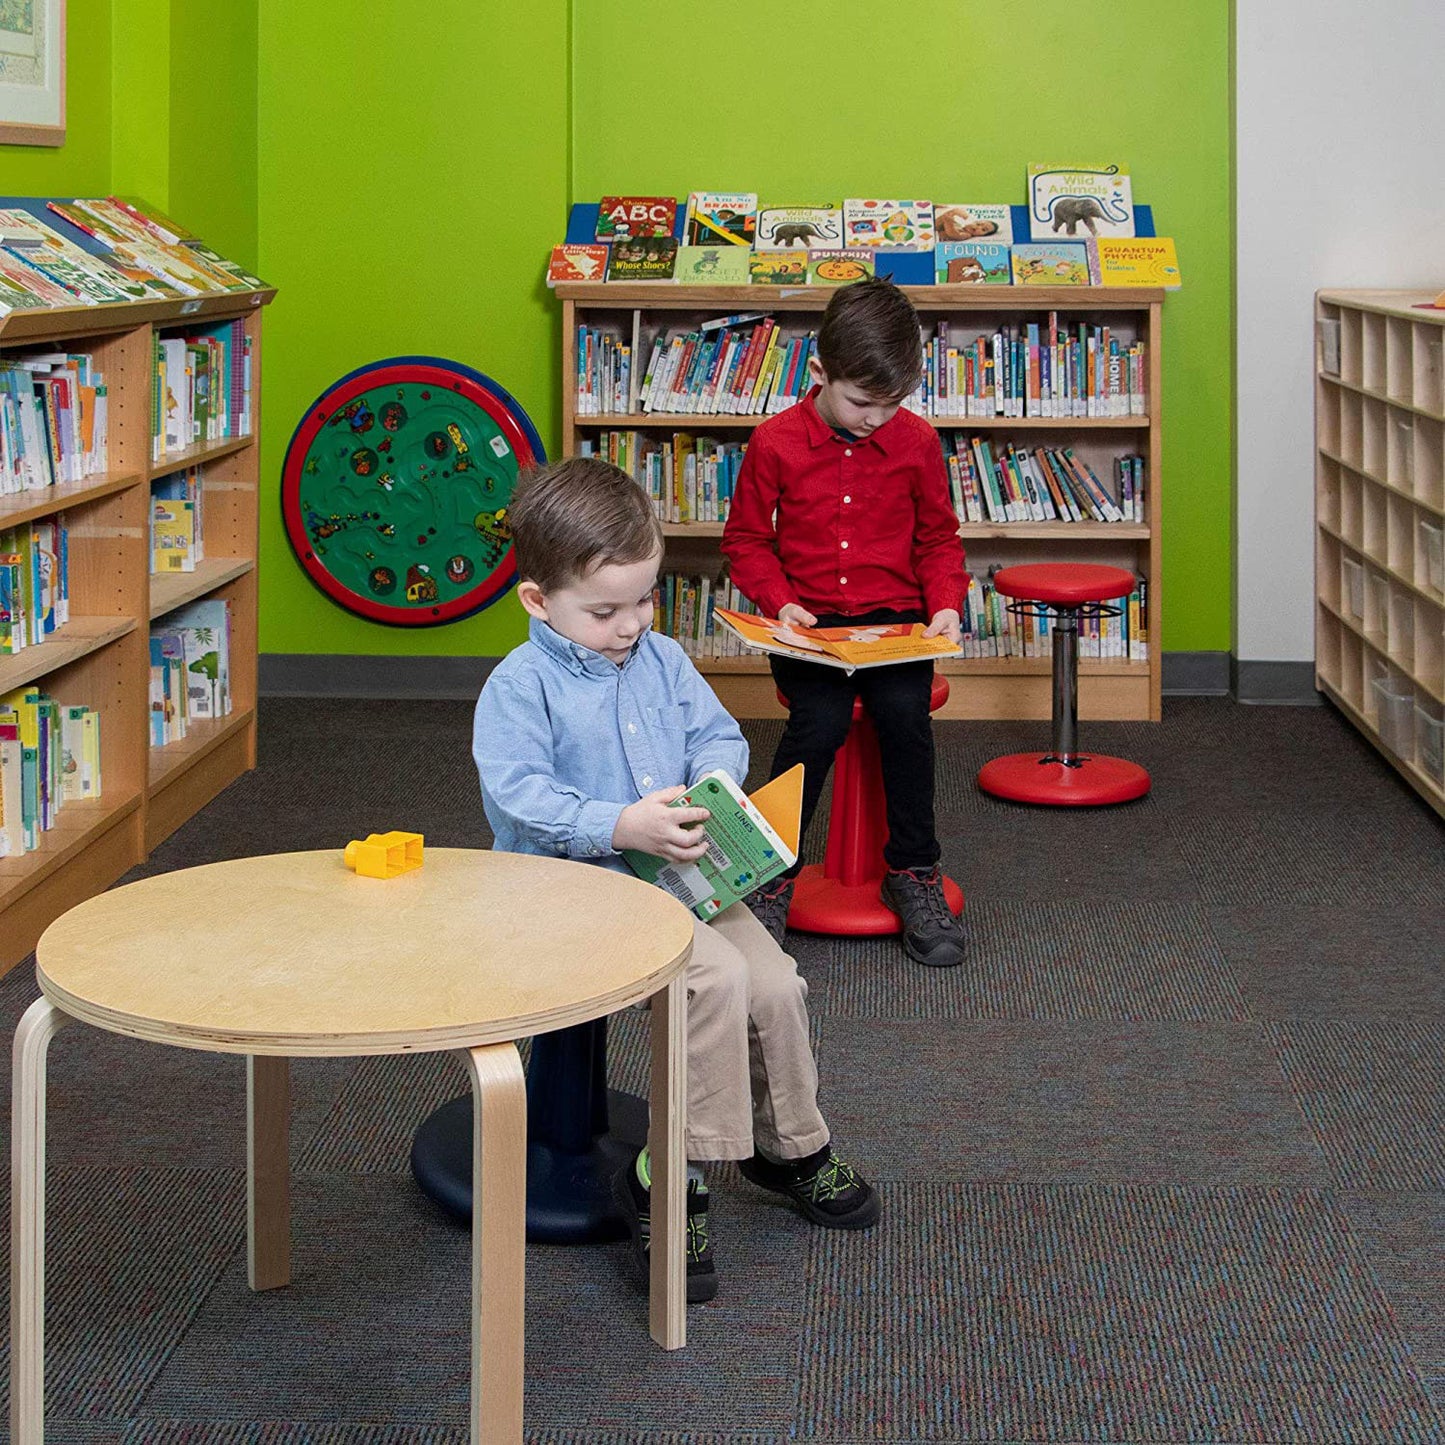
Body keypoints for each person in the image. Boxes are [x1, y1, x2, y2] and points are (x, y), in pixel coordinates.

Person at [472, 457, 879, 1305]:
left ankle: (790, 1142)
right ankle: (673, 1173)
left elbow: (718, 735)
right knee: (720, 979)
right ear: (537, 602)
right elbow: (519, 794)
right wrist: (617, 822)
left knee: (775, 980)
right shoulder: (518, 686)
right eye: (605, 610)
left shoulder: (658, 659)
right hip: (571, 889)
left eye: (645, 600)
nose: (630, 626)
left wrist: (712, 785)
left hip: (673, 877)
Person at [721, 277, 967, 968]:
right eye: (861, 402)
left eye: (891, 405)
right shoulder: (774, 442)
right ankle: (771, 873)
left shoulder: (916, 443)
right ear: (820, 372)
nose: (874, 419)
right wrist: (778, 602)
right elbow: (744, 540)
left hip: (894, 623)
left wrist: (944, 601)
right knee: (817, 724)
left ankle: (913, 868)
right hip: (808, 622)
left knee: (903, 716)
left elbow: (938, 540)